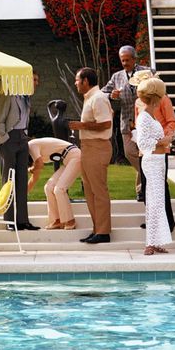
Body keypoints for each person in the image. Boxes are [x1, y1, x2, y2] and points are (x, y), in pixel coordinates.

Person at [0, 73, 40, 231]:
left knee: (22, 181)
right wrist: (4, 139)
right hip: (8, 139)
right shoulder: (8, 95)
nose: (36, 83)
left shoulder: (25, 98)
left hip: (22, 138)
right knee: (9, 181)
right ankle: (9, 221)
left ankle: (23, 221)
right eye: (34, 80)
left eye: (37, 81)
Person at [69, 67, 114, 244]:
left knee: (98, 190)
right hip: (88, 147)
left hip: (98, 147)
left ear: (86, 81)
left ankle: (103, 232)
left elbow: (105, 124)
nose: (76, 83)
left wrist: (82, 126)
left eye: (77, 80)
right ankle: (98, 229)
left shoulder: (98, 98)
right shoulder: (90, 98)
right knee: (89, 191)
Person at [131, 70, 175, 232]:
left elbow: (171, 121)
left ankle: (168, 221)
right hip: (145, 150)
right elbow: (138, 124)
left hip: (159, 149)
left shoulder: (163, 99)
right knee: (146, 187)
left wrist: (162, 140)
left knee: (160, 186)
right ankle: (153, 219)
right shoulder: (138, 102)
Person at [100, 45, 149, 201]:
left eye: (128, 60)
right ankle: (147, 175)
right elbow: (102, 92)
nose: (125, 63)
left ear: (134, 59)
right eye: (123, 60)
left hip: (145, 122)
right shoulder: (117, 76)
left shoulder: (147, 72)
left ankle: (141, 190)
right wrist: (112, 96)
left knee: (144, 154)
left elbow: (159, 91)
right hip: (126, 122)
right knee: (129, 153)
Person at [28, 137, 81, 230]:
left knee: (59, 189)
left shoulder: (31, 145)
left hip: (75, 156)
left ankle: (70, 220)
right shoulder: (34, 154)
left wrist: (30, 169)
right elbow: (35, 177)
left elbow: (40, 164)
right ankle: (57, 220)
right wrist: (22, 195)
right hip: (68, 160)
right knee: (48, 187)